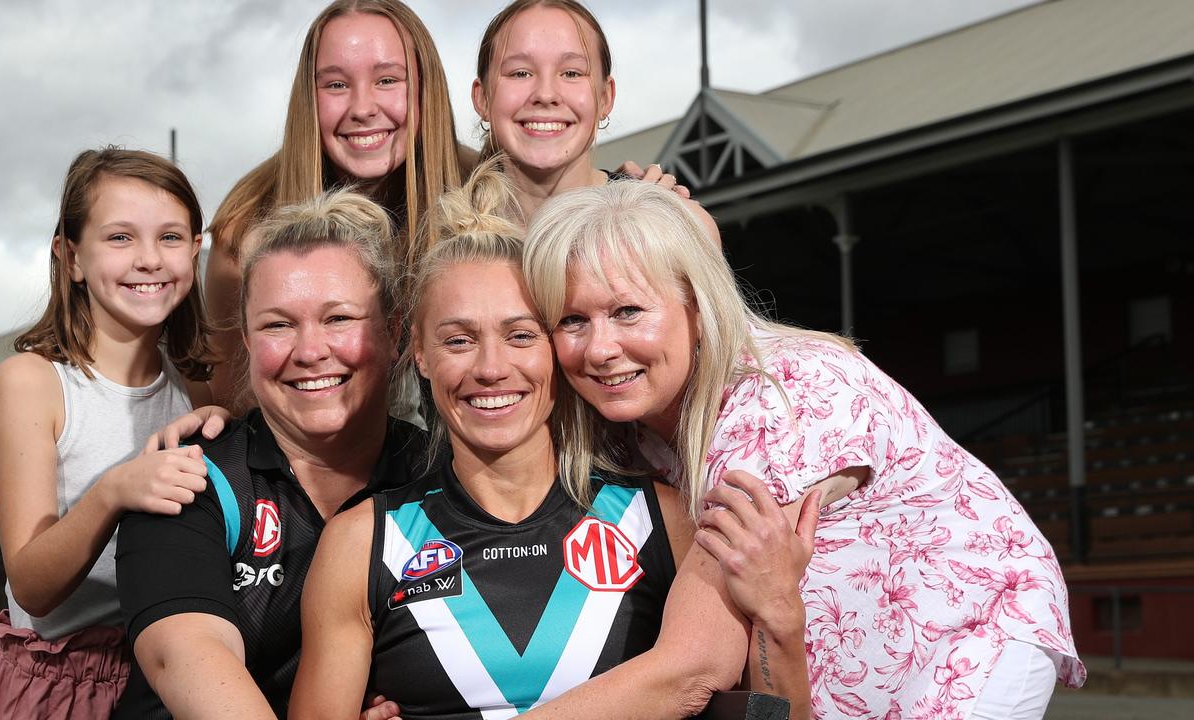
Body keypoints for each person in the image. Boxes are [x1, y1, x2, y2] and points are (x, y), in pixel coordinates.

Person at [521, 181, 1087, 720]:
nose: (598, 349)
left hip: (966, 648)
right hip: (849, 668)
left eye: (627, 311)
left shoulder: (780, 398)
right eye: (572, 320)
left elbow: (694, 668)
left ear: (698, 305)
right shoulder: (633, 417)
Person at [290, 162, 813, 720]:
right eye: (459, 340)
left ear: (558, 346)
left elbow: (765, 711)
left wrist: (783, 619)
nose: (491, 368)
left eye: (521, 335)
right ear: (418, 351)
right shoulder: (362, 543)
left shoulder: (661, 518)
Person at [113, 190, 426, 719]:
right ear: (248, 342)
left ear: (394, 331)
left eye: (339, 319)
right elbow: (182, 657)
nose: (309, 352)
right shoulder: (187, 477)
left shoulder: (438, 472)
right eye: (278, 325)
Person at [0, 148, 215, 719]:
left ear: (196, 248)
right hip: (61, 682)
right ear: (71, 256)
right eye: (120, 238)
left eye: (171, 237)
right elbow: (32, 584)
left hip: (168, 677)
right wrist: (113, 492)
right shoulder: (33, 383)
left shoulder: (199, 390)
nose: (150, 259)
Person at [206, 0, 466, 411]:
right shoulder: (246, 225)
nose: (363, 109)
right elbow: (231, 402)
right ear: (309, 98)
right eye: (336, 85)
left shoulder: (481, 190)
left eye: (386, 80)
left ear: (424, 86)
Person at [471, 0, 720, 243]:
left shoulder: (673, 229)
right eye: (520, 73)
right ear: (482, 98)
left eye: (571, 73)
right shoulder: (441, 234)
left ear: (605, 97)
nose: (545, 95)